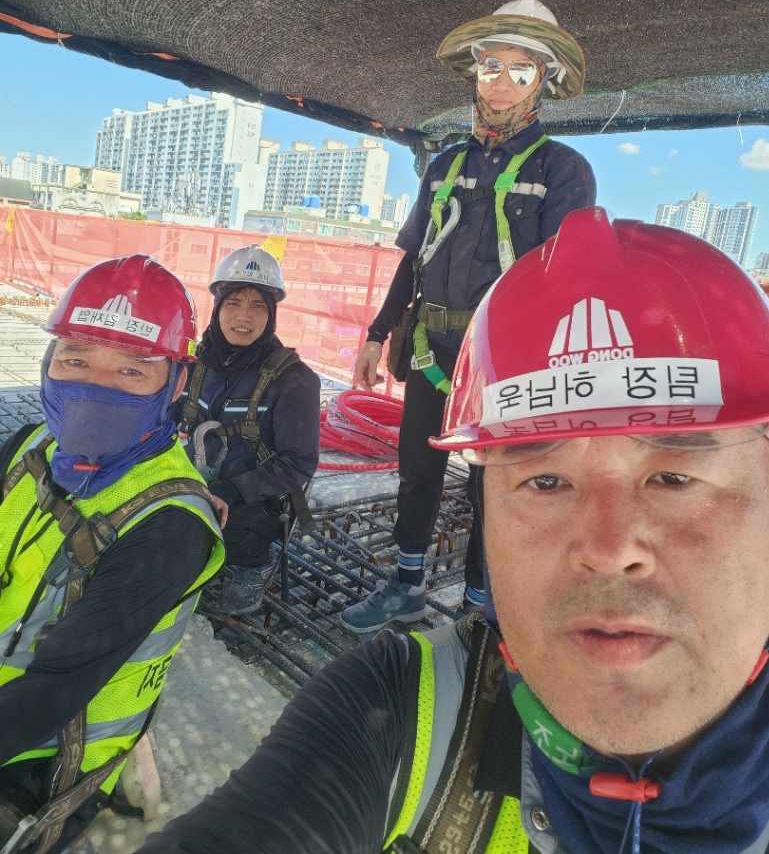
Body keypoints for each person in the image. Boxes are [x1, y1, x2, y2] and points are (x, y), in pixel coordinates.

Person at [130, 208, 769, 854]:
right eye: (545, 481)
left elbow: (294, 462)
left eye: (673, 479)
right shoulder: (400, 705)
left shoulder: (287, 378)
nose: (609, 551)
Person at [343, 0, 596, 632]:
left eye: (521, 69)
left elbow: (565, 281)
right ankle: (406, 584)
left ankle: (480, 606)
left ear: (544, 81)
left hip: (505, 358)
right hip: (430, 347)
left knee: (496, 482)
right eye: (492, 66)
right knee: (417, 469)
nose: (502, 82)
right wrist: (376, 336)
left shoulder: (563, 170)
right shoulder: (445, 166)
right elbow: (413, 259)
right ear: (476, 74)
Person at [0, 255, 224, 854]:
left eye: (131, 369)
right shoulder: (31, 447)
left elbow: (51, 693)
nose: (95, 388)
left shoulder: (170, 526)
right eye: (75, 360)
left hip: (44, 750)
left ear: (175, 384)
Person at [173, 245, 320, 615]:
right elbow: (160, 422)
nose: (244, 316)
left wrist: (231, 491)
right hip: (193, 478)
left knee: (221, 523)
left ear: (271, 314)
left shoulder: (292, 379)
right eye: (234, 303)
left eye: (258, 306)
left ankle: (253, 564)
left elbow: (299, 463)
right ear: (217, 306)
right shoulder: (192, 363)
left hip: (253, 500)